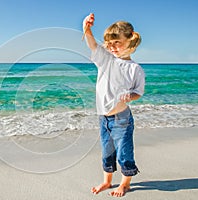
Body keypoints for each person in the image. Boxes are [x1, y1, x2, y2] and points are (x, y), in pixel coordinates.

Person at [82, 13, 145, 197]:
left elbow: (138, 93)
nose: (112, 47)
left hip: (122, 119)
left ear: (129, 39)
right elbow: (93, 44)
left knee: (124, 153)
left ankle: (125, 184)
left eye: (117, 42)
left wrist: (129, 96)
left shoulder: (135, 69)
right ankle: (107, 181)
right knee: (106, 152)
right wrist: (87, 28)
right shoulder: (106, 60)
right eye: (109, 44)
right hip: (104, 118)